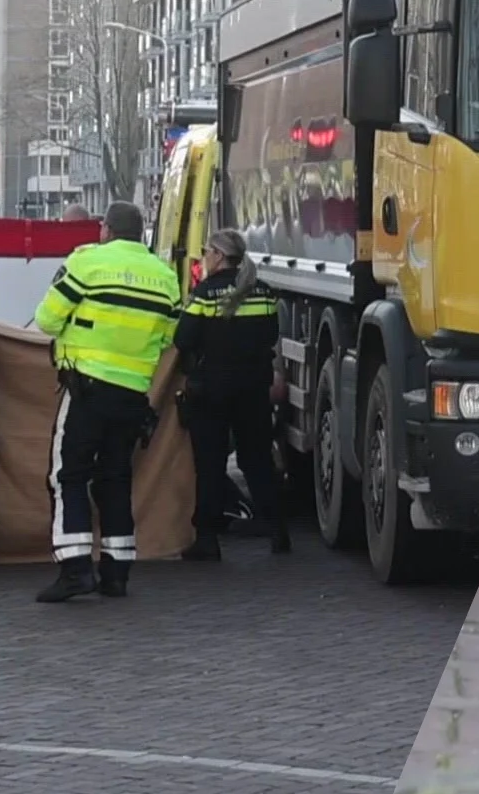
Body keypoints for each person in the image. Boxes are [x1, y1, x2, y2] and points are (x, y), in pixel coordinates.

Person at [33, 200, 179, 603]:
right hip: (133, 394)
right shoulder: (166, 277)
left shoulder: (87, 263)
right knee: (115, 479)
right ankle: (116, 573)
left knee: (69, 477)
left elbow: (46, 319)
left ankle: (75, 568)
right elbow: (169, 336)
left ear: (106, 230)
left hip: (87, 389)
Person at [174, 230, 288, 561]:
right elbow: (271, 335)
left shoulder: (206, 294)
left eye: (206, 251)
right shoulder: (263, 293)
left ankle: (207, 539)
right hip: (253, 390)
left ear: (219, 256)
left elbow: (184, 339)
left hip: (210, 392)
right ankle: (278, 530)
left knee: (209, 464)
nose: (204, 257)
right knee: (258, 461)